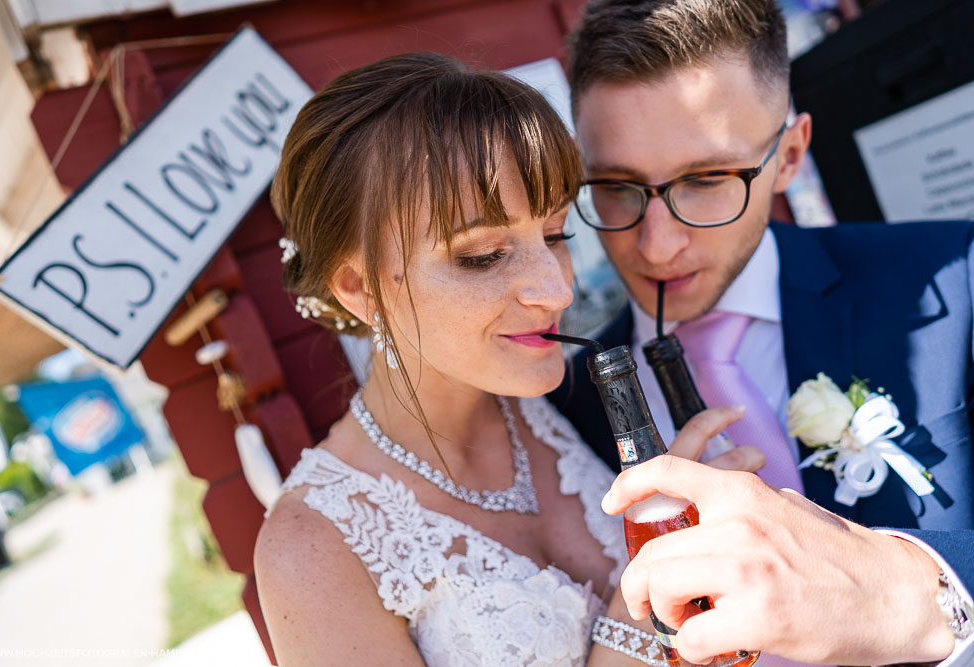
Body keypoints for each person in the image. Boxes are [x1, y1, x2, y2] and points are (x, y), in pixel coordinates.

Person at [253, 52, 761, 666]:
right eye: (483, 255)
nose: (557, 291)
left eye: (554, 235)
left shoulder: (564, 401)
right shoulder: (310, 548)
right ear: (361, 289)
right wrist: (648, 600)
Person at [550, 1, 974, 666]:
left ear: (791, 154)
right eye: (616, 188)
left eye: (707, 180)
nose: (656, 246)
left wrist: (903, 591)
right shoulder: (561, 403)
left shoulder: (958, 276)